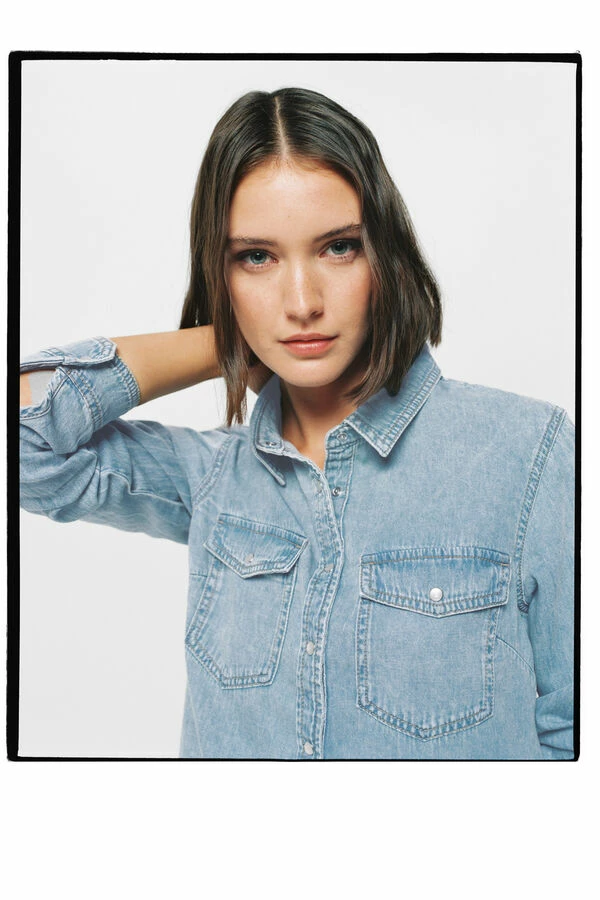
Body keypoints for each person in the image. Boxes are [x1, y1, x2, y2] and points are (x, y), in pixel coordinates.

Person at [19, 87, 574, 760]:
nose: (302, 302)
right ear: (220, 272)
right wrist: (224, 341)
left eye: (338, 247)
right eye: (256, 257)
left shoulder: (530, 454)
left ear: (385, 254)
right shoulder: (211, 478)